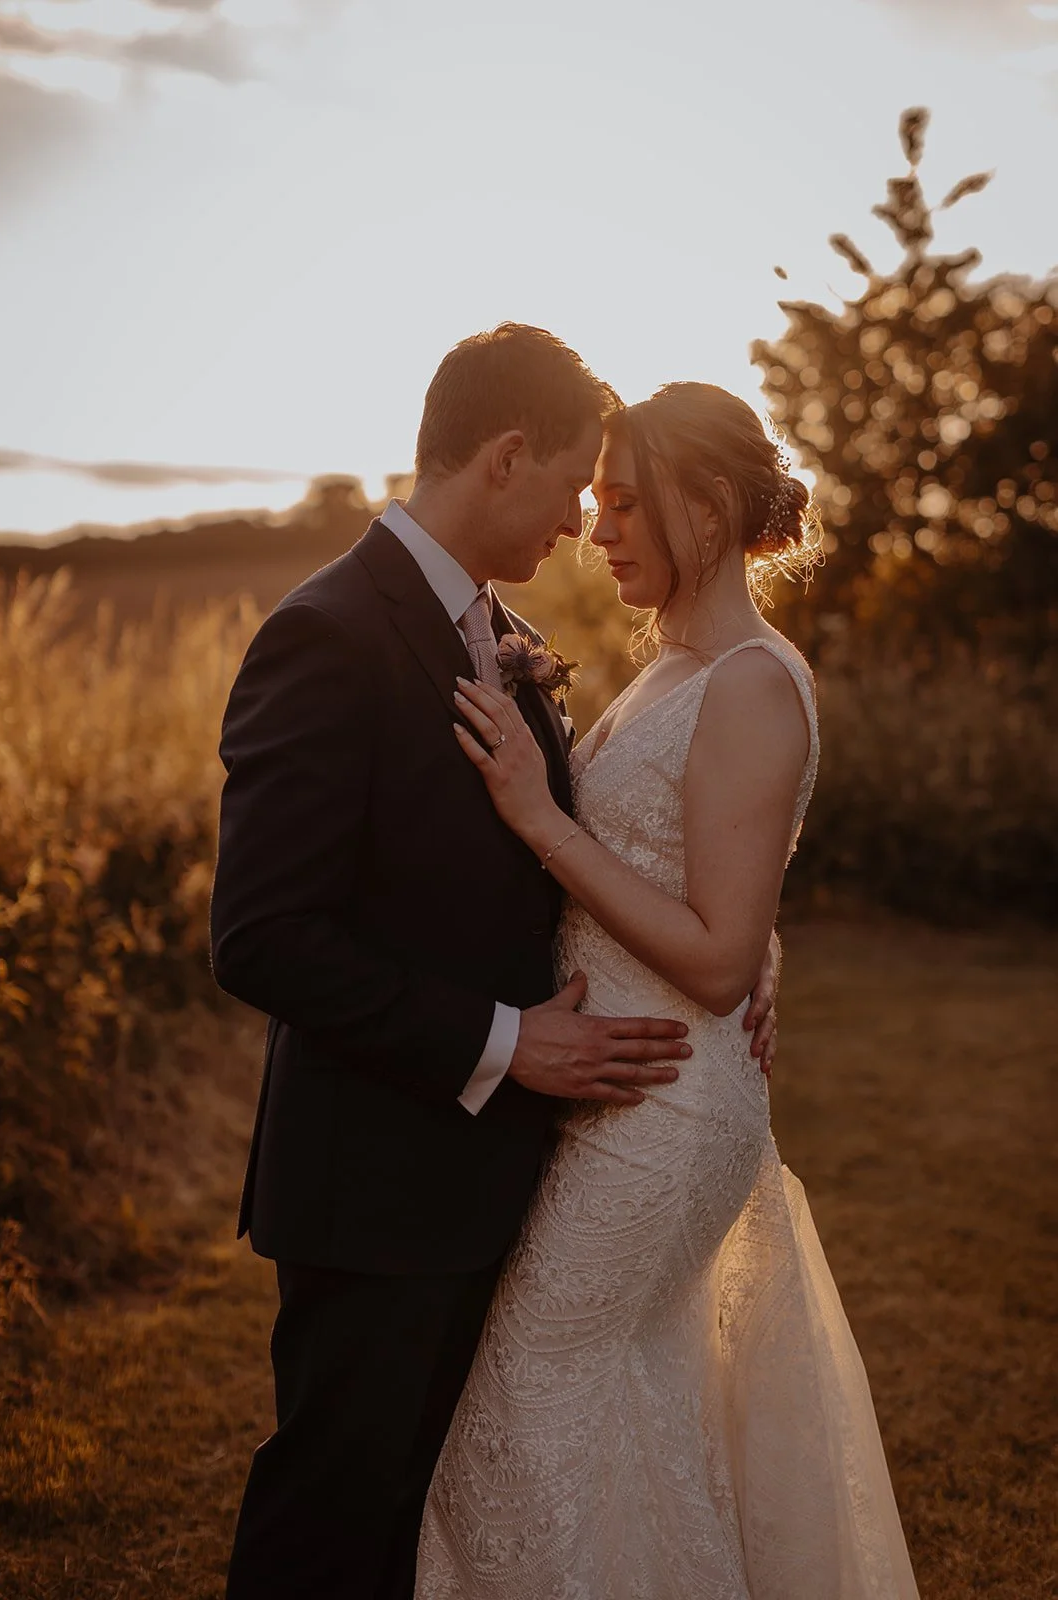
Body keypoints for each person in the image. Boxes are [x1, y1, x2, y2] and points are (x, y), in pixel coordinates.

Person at [210, 329, 779, 1600]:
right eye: (579, 484)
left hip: (501, 1173)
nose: (586, 521)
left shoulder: (501, 633)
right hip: (376, 1173)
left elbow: (578, 845)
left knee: (433, 1518)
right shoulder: (329, 632)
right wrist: (511, 1042)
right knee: (335, 1512)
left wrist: (750, 944)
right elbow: (261, 933)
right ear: (507, 455)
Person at [417, 381, 919, 1598]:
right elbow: (712, 885)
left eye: (627, 504)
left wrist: (541, 819)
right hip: (621, 1089)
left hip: (662, 1107)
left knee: (529, 1394)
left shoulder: (749, 679)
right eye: (594, 503)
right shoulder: (672, 670)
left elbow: (713, 956)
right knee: (609, 1403)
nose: (598, 531)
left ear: (705, 504)